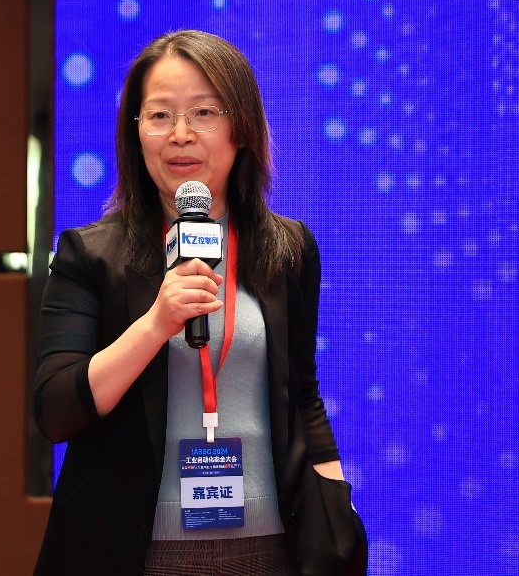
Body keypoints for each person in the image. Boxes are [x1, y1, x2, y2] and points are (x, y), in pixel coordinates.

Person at [32, 30, 366, 575]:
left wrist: (337, 510)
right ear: (136, 132)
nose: (181, 134)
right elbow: (56, 412)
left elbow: (302, 398)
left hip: (270, 546)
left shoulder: (288, 249)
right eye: (159, 116)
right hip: (137, 551)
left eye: (204, 113)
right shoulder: (88, 255)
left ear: (241, 128)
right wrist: (155, 323)